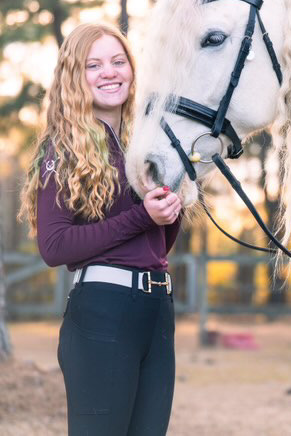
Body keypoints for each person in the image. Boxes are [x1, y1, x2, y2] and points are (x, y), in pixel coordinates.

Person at [18, 23, 183, 435]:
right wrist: (143, 215)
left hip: (157, 309)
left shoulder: (143, 145)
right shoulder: (62, 147)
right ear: (75, 77)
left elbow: (154, 246)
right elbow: (55, 248)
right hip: (103, 314)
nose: (109, 72)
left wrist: (167, 212)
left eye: (117, 61)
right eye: (93, 65)